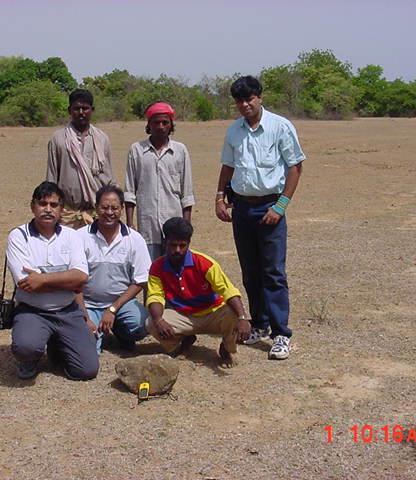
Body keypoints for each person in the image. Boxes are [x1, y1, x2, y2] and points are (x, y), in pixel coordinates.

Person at [215, 75, 305, 360]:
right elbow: (228, 167)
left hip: (270, 208)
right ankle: (260, 324)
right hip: (243, 209)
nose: (244, 105)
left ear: (260, 97)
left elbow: (295, 167)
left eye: (249, 99)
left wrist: (280, 206)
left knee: (273, 273)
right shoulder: (234, 132)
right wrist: (220, 197)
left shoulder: (280, 127)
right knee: (250, 271)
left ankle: (281, 334)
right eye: (239, 101)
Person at [6, 181, 99, 380]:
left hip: (67, 310)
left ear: (62, 210)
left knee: (87, 370)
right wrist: (66, 280)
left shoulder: (72, 236)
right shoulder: (18, 236)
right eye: (42, 204)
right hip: (32, 310)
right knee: (26, 346)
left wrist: (42, 279)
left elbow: (81, 277)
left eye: (54, 205)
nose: (48, 209)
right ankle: (28, 359)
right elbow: (26, 283)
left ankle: (57, 345)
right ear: (33, 207)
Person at [146, 217, 251, 367]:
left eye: (182, 246)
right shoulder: (157, 267)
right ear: (165, 243)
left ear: (189, 243)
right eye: (173, 245)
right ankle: (182, 342)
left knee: (233, 312)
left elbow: (227, 290)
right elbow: (155, 296)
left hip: (213, 314)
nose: (177, 250)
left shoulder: (204, 263)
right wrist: (159, 321)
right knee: (151, 323)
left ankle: (227, 348)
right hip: (184, 316)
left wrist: (242, 318)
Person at [76, 185, 151, 353]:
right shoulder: (80, 237)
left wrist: (112, 309)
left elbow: (140, 280)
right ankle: (97, 334)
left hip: (122, 304)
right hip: (89, 304)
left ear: (122, 209)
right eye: (104, 207)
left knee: (143, 323)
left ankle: (123, 332)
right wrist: (85, 315)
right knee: (86, 346)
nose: (109, 212)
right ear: (96, 208)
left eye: (114, 208)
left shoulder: (134, 239)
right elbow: (74, 282)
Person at [124, 101, 195, 260]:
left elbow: (187, 193)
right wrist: (130, 224)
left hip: (174, 222)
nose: (161, 126)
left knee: (174, 272)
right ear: (149, 124)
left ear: (171, 125)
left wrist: (186, 227)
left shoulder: (180, 151)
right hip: (148, 226)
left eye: (165, 122)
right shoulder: (137, 150)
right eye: (156, 122)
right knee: (150, 271)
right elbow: (129, 191)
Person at [46, 89, 115, 228]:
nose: (81, 112)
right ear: (69, 111)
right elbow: (52, 178)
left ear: (92, 110)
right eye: (77, 108)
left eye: (85, 108)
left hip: (96, 214)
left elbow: (108, 177)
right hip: (67, 215)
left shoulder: (102, 139)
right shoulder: (58, 139)